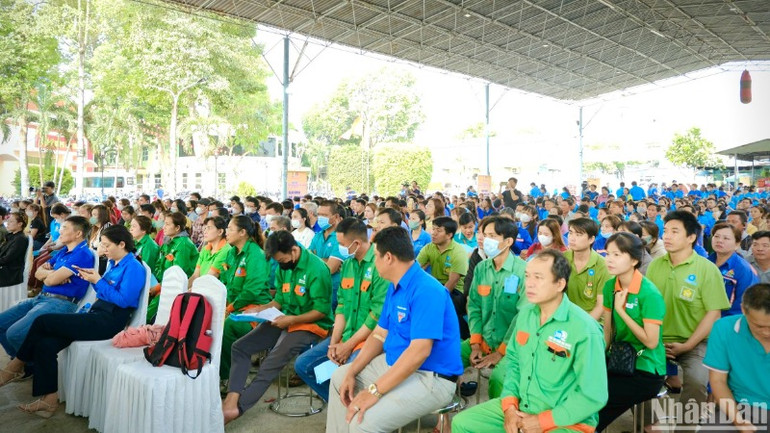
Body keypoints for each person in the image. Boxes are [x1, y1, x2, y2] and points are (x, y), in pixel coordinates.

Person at [452, 250, 608, 433]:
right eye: (527, 276)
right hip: (522, 408)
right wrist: (509, 407)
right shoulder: (526, 315)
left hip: (565, 420)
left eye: (538, 277)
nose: (529, 284)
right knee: (462, 424)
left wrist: (543, 421)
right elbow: (514, 364)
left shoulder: (584, 329)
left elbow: (593, 394)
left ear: (560, 284)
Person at [326, 226, 462, 433]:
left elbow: (419, 352)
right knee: (339, 378)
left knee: (363, 424)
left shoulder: (427, 290)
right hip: (395, 363)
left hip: (430, 377)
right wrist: (352, 371)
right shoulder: (395, 285)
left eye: (376, 255)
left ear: (388, 257)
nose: (374, 260)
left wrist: (374, 391)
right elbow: (379, 334)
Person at [0, 225, 146, 417]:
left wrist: (98, 281)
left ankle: (15, 366)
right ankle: (49, 400)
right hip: (97, 314)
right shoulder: (114, 263)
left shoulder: (134, 267)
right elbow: (103, 294)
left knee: (43, 322)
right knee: (46, 344)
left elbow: (125, 301)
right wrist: (95, 281)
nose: (103, 249)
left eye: (107, 245)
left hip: (110, 321)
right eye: (101, 244)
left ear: (122, 244)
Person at [223, 230, 333, 424]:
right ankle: (232, 397)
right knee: (240, 347)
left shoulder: (316, 269)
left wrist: (290, 320)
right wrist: (260, 309)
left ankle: (236, 410)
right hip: (283, 318)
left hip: (311, 325)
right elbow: (280, 300)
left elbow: (321, 311)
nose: (281, 265)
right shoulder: (284, 266)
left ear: (294, 250)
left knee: (271, 362)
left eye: (282, 260)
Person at [645, 210, 730, 426]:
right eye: (666, 231)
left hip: (695, 342)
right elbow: (647, 304)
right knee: (639, 377)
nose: (668, 236)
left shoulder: (706, 269)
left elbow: (714, 313)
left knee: (696, 383)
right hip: (656, 339)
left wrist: (687, 345)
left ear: (691, 237)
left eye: (675, 231)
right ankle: (648, 424)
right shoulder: (656, 265)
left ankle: (685, 428)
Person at [294, 218, 389, 402]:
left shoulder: (379, 267)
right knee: (303, 365)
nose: (339, 249)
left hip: (369, 340)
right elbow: (342, 306)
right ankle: (342, 407)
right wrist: (335, 341)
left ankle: (354, 414)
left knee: (344, 374)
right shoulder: (348, 265)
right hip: (347, 336)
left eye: (341, 244)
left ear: (356, 243)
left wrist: (348, 346)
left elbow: (375, 316)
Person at [597, 233, 666, 432]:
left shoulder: (649, 293)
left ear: (634, 260)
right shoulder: (611, 285)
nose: (609, 259)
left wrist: (621, 311)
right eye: (608, 253)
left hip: (646, 367)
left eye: (617, 255)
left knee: (597, 408)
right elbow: (608, 330)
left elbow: (651, 342)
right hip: (618, 360)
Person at [0, 216, 95, 358]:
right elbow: (38, 273)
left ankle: (28, 365)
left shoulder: (83, 254)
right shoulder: (64, 251)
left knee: (14, 333)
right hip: (42, 297)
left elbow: (50, 281)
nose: (60, 232)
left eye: (64, 228)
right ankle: (23, 364)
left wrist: (50, 276)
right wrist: (53, 273)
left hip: (61, 302)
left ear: (78, 233)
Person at [465, 217, 527, 399]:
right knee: (445, 356)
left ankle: (497, 419)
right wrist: (475, 343)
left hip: (510, 346)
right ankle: (442, 419)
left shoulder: (523, 272)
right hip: (482, 340)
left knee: (499, 380)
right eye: (484, 235)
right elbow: (474, 305)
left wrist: (501, 352)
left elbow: (522, 317)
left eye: (492, 236)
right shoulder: (481, 268)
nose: (485, 240)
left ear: (508, 242)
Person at [703, 283, 770, 432]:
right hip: (741, 405)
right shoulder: (724, 329)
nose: (766, 333)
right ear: (743, 310)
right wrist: (738, 420)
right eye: (759, 326)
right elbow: (718, 381)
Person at [219, 215, 272, 379]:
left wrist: (230, 308)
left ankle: (227, 377)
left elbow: (251, 291)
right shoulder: (232, 253)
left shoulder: (255, 254)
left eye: (229, 229)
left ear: (242, 232)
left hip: (255, 309)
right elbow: (224, 282)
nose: (226, 232)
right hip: (233, 305)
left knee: (228, 327)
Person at [147, 212, 199, 322]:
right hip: (161, 283)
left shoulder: (183, 245)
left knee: (149, 313)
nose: (163, 227)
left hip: (173, 287)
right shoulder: (168, 241)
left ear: (177, 228)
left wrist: (157, 288)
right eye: (164, 223)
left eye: (167, 224)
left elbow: (179, 273)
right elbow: (159, 264)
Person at [564, 218, 611, 320]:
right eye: (570, 233)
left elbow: (600, 306)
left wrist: (583, 327)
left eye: (578, 235)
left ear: (591, 239)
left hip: (593, 321)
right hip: (565, 317)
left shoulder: (602, 266)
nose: (572, 238)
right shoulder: (562, 259)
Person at [709, 222, 759, 316]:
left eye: (726, 238)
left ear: (737, 244)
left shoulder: (744, 270)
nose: (719, 241)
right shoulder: (706, 263)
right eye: (716, 236)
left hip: (726, 323)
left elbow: (743, 306)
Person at [309, 200, 345, 306]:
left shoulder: (340, 238)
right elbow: (306, 259)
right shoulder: (318, 235)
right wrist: (326, 260)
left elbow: (331, 268)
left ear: (336, 217)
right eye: (319, 214)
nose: (320, 218)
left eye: (324, 215)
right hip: (316, 286)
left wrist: (314, 258)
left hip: (333, 289)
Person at [187, 216, 231, 288]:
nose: (205, 231)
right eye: (205, 228)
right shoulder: (205, 249)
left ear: (220, 232)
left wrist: (190, 291)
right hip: (200, 289)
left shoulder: (226, 250)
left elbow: (210, 278)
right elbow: (195, 275)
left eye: (209, 228)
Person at [0, 212, 30, 288]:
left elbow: (7, 259)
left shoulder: (20, 239)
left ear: (20, 224)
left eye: (11, 221)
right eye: (8, 221)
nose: (8, 224)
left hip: (10, 272)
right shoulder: (12, 236)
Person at [129, 216, 160, 283]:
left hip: (147, 281)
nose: (130, 229)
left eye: (134, 226)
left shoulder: (150, 246)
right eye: (130, 226)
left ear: (143, 230)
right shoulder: (135, 241)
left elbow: (146, 269)